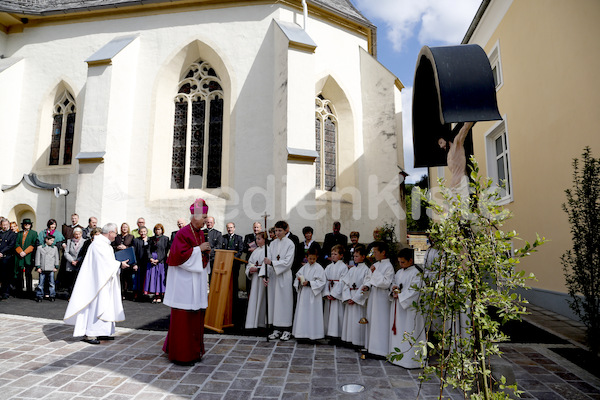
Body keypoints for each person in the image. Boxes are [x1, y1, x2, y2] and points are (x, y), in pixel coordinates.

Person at [163, 198, 211, 365]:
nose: (206, 220)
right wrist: (199, 250)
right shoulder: (183, 233)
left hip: (195, 283)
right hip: (184, 285)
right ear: (194, 216)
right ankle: (182, 355)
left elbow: (198, 254)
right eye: (204, 217)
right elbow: (179, 256)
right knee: (184, 319)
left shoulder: (198, 232)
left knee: (195, 317)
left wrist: (204, 251)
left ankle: (194, 351)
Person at [64, 223, 129, 344]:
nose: (116, 235)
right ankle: (91, 334)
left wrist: (118, 263)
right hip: (96, 283)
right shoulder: (98, 244)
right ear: (110, 233)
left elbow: (107, 262)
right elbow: (104, 263)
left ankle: (102, 332)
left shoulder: (104, 245)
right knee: (96, 306)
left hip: (104, 280)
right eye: (115, 233)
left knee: (105, 305)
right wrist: (120, 264)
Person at [389, 248, 425, 368]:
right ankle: (398, 358)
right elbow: (394, 283)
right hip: (398, 308)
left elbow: (415, 292)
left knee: (410, 331)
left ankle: (411, 361)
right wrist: (393, 289)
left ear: (411, 260)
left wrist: (400, 295)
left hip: (410, 310)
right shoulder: (399, 272)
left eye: (403, 262)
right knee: (399, 332)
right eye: (399, 262)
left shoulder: (417, 273)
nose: (401, 264)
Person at [361, 241, 394, 358]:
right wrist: (367, 286)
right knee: (372, 321)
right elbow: (369, 278)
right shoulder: (377, 264)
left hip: (382, 299)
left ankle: (381, 350)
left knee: (380, 323)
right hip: (373, 296)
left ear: (383, 252)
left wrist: (375, 272)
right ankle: (371, 347)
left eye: (375, 252)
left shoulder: (388, 266)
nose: (374, 254)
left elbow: (386, 283)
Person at [263, 220, 295, 341]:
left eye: (280, 230)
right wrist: (265, 275)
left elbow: (287, 262)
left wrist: (272, 263)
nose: (277, 233)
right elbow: (267, 260)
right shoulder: (273, 244)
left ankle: (286, 329)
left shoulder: (290, 244)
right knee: (274, 302)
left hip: (284, 276)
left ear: (286, 230)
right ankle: (276, 328)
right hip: (274, 276)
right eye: (276, 230)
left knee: (284, 302)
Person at [292, 247, 326, 341]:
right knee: (303, 313)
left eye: (313, 259)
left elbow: (322, 282)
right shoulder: (304, 267)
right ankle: (301, 334)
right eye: (310, 258)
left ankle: (313, 335)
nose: (311, 261)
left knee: (312, 314)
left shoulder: (319, 268)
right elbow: (297, 276)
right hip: (304, 294)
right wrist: (299, 280)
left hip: (313, 294)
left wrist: (310, 283)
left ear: (317, 257)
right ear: (306, 257)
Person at [341, 245, 370, 348]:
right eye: (354, 256)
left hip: (358, 299)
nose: (355, 258)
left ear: (363, 256)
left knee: (358, 319)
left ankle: (358, 342)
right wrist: (348, 297)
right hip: (350, 296)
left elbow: (366, 286)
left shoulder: (366, 270)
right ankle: (349, 340)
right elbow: (346, 284)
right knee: (350, 320)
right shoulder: (352, 270)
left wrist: (355, 299)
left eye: (357, 256)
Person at [437, 121, 474, 196]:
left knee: (463, 206)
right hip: (453, 185)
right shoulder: (448, 155)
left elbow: (465, 129)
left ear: (445, 138)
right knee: (447, 207)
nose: (441, 146)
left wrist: (471, 117)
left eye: (441, 142)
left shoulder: (457, 144)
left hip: (461, 182)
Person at [244, 231, 269, 330]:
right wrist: (250, 269)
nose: (257, 241)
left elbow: (268, 265)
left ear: (264, 239)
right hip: (255, 279)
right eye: (257, 239)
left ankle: (262, 323)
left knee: (262, 300)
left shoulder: (268, 250)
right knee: (254, 298)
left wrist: (258, 269)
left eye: (259, 239)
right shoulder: (256, 251)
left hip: (262, 278)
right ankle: (253, 322)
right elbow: (250, 263)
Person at [323, 244, 347, 341]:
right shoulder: (328, 267)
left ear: (341, 255)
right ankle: (328, 333)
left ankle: (338, 335)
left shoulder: (343, 267)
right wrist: (327, 293)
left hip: (337, 295)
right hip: (329, 292)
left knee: (337, 314)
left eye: (335, 254)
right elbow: (324, 280)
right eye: (332, 254)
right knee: (328, 314)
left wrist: (334, 294)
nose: (333, 256)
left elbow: (342, 282)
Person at [145, 223, 169, 303]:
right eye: (156, 229)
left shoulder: (165, 238)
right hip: (152, 259)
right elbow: (148, 249)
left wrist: (158, 259)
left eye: (159, 229)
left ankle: (159, 295)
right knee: (153, 278)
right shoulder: (151, 239)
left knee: (160, 277)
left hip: (160, 260)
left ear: (162, 230)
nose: (157, 231)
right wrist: (150, 258)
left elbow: (165, 251)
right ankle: (154, 294)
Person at [15, 218, 38, 298]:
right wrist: (20, 251)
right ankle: (20, 291)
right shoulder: (19, 233)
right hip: (20, 256)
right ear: (23, 225)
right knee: (20, 274)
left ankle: (29, 292)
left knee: (28, 274)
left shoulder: (34, 233)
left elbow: (33, 244)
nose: (27, 225)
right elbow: (16, 243)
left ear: (31, 225)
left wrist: (25, 252)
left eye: (28, 224)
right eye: (25, 224)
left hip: (29, 256)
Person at [34, 234, 60, 302]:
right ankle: (39, 295)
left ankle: (52, 295)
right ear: (46, 240)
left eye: (53, 241)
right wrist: (38, 267)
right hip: (43, 267)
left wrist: (56, 266)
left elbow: (56, 257)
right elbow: (37, 258)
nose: (52, 242)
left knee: (51, 283)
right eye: (51, 240)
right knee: (41, 283)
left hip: (51, 267)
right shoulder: (40, 248)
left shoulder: (54, 248)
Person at [62, 227, 87, 296]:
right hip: (70, 264)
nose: (77, 236)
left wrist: (77, 260)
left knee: (79, 281)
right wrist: (72, 260)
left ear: (81, 234)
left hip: (79, 263)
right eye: (76, 234)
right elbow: (66, 252)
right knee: (70, 281)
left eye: (78, 234)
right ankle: (70, 295)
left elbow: (84, 253)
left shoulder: (84, 242)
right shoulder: (69, 241)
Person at [112, 223, 135, 297]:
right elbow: (112, 245)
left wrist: (126, 247)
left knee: (126, 276)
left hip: (127, 257)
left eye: (126, 227)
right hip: (118, 257)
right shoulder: (117, 236)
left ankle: (125, 292)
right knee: (119, 275)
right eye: (123, 227)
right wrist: (117, 247)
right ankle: (119, 291)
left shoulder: (131, 236)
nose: (124, 229)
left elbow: (133, 247)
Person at [0, 218, 17, 299]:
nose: (5, 226)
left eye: (6, 225)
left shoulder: (12, 234)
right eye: (3, 225)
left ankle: (5, 292)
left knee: (6, 276)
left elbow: (11, 245)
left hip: (7, 258)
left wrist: (2, 252)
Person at [132, 226, 150, 300]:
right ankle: (137, 294)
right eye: (141, 232)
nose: (143, 233)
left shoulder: (150, 240)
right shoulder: (136, 240)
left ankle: (145, 294)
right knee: (138, 280)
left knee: (146, 279)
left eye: (144, 231)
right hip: (139, 263)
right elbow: (134, 253)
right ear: (139, 232)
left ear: (147, 232)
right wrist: (134, 264)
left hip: (148, 263)